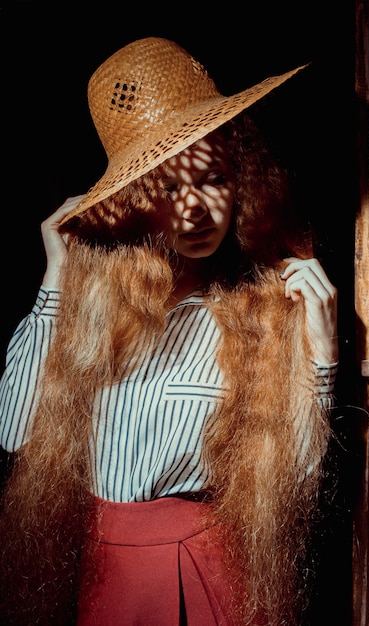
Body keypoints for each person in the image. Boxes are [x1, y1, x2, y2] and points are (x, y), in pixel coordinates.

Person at [0, 37, 338, 626]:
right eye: (166, 188)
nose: (194, 210)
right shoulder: (92, 308)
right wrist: (56, 279)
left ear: (242, 182)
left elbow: (299, 475)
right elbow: (16, 432)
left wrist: (324, 357)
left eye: (211, 178)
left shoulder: (263, 308)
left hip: (217, 572)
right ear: (137, 201)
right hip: (108, 572)